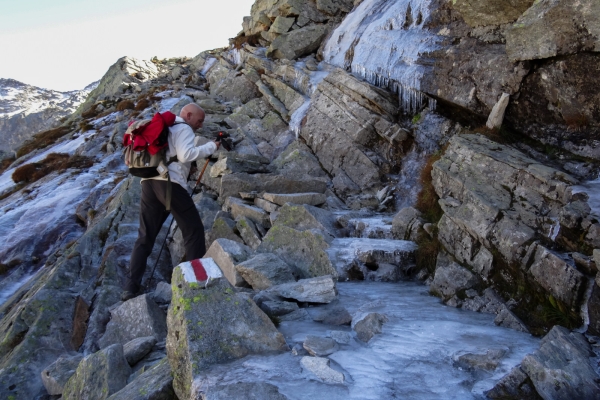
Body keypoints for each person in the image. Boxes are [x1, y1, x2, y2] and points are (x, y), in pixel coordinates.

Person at [122, 103, 219, 300]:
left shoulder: (166, 128)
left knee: (145, 237)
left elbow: (174, 156)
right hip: (169, 184)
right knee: (193, 230)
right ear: (189, 115)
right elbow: (186, 155)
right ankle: (197, 284)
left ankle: (130, 288)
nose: (200, 125)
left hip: (149, 183)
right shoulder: (183, 128)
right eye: (199, 120)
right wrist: (211, 146)